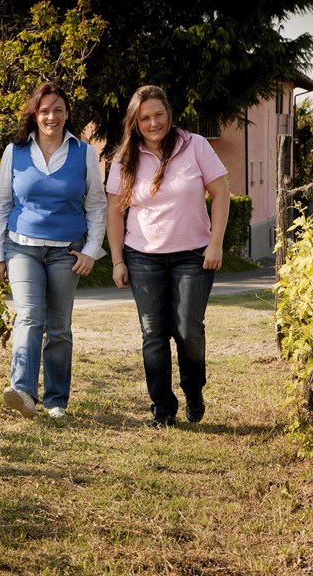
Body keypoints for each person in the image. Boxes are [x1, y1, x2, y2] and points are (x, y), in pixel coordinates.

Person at [105, 85, 229, 428]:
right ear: (135, 122)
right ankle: (162, 406)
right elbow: (114, 212)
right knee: (153, 333)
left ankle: (193, 390)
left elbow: (221, 194)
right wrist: (117, 260)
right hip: (142, 257)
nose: (153, 122)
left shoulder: (196, 146)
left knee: (188, 330)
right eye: (144, 117)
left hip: (193, 255)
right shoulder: (125, 157)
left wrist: (215, 242)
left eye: (158, 114)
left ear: (169, 114)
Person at [0, 82, 107, 419]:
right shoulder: (16, 151)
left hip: (65, 253)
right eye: (44, 111)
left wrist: (90, 250)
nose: (51, 116)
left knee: (59, 328)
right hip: (22, 248)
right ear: (34, 115)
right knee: (29, 316)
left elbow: (97, 205)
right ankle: (23, 391)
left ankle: (56, 400)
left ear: (67, 114)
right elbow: (1, 204)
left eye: (58, 110)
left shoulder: (84, 153)